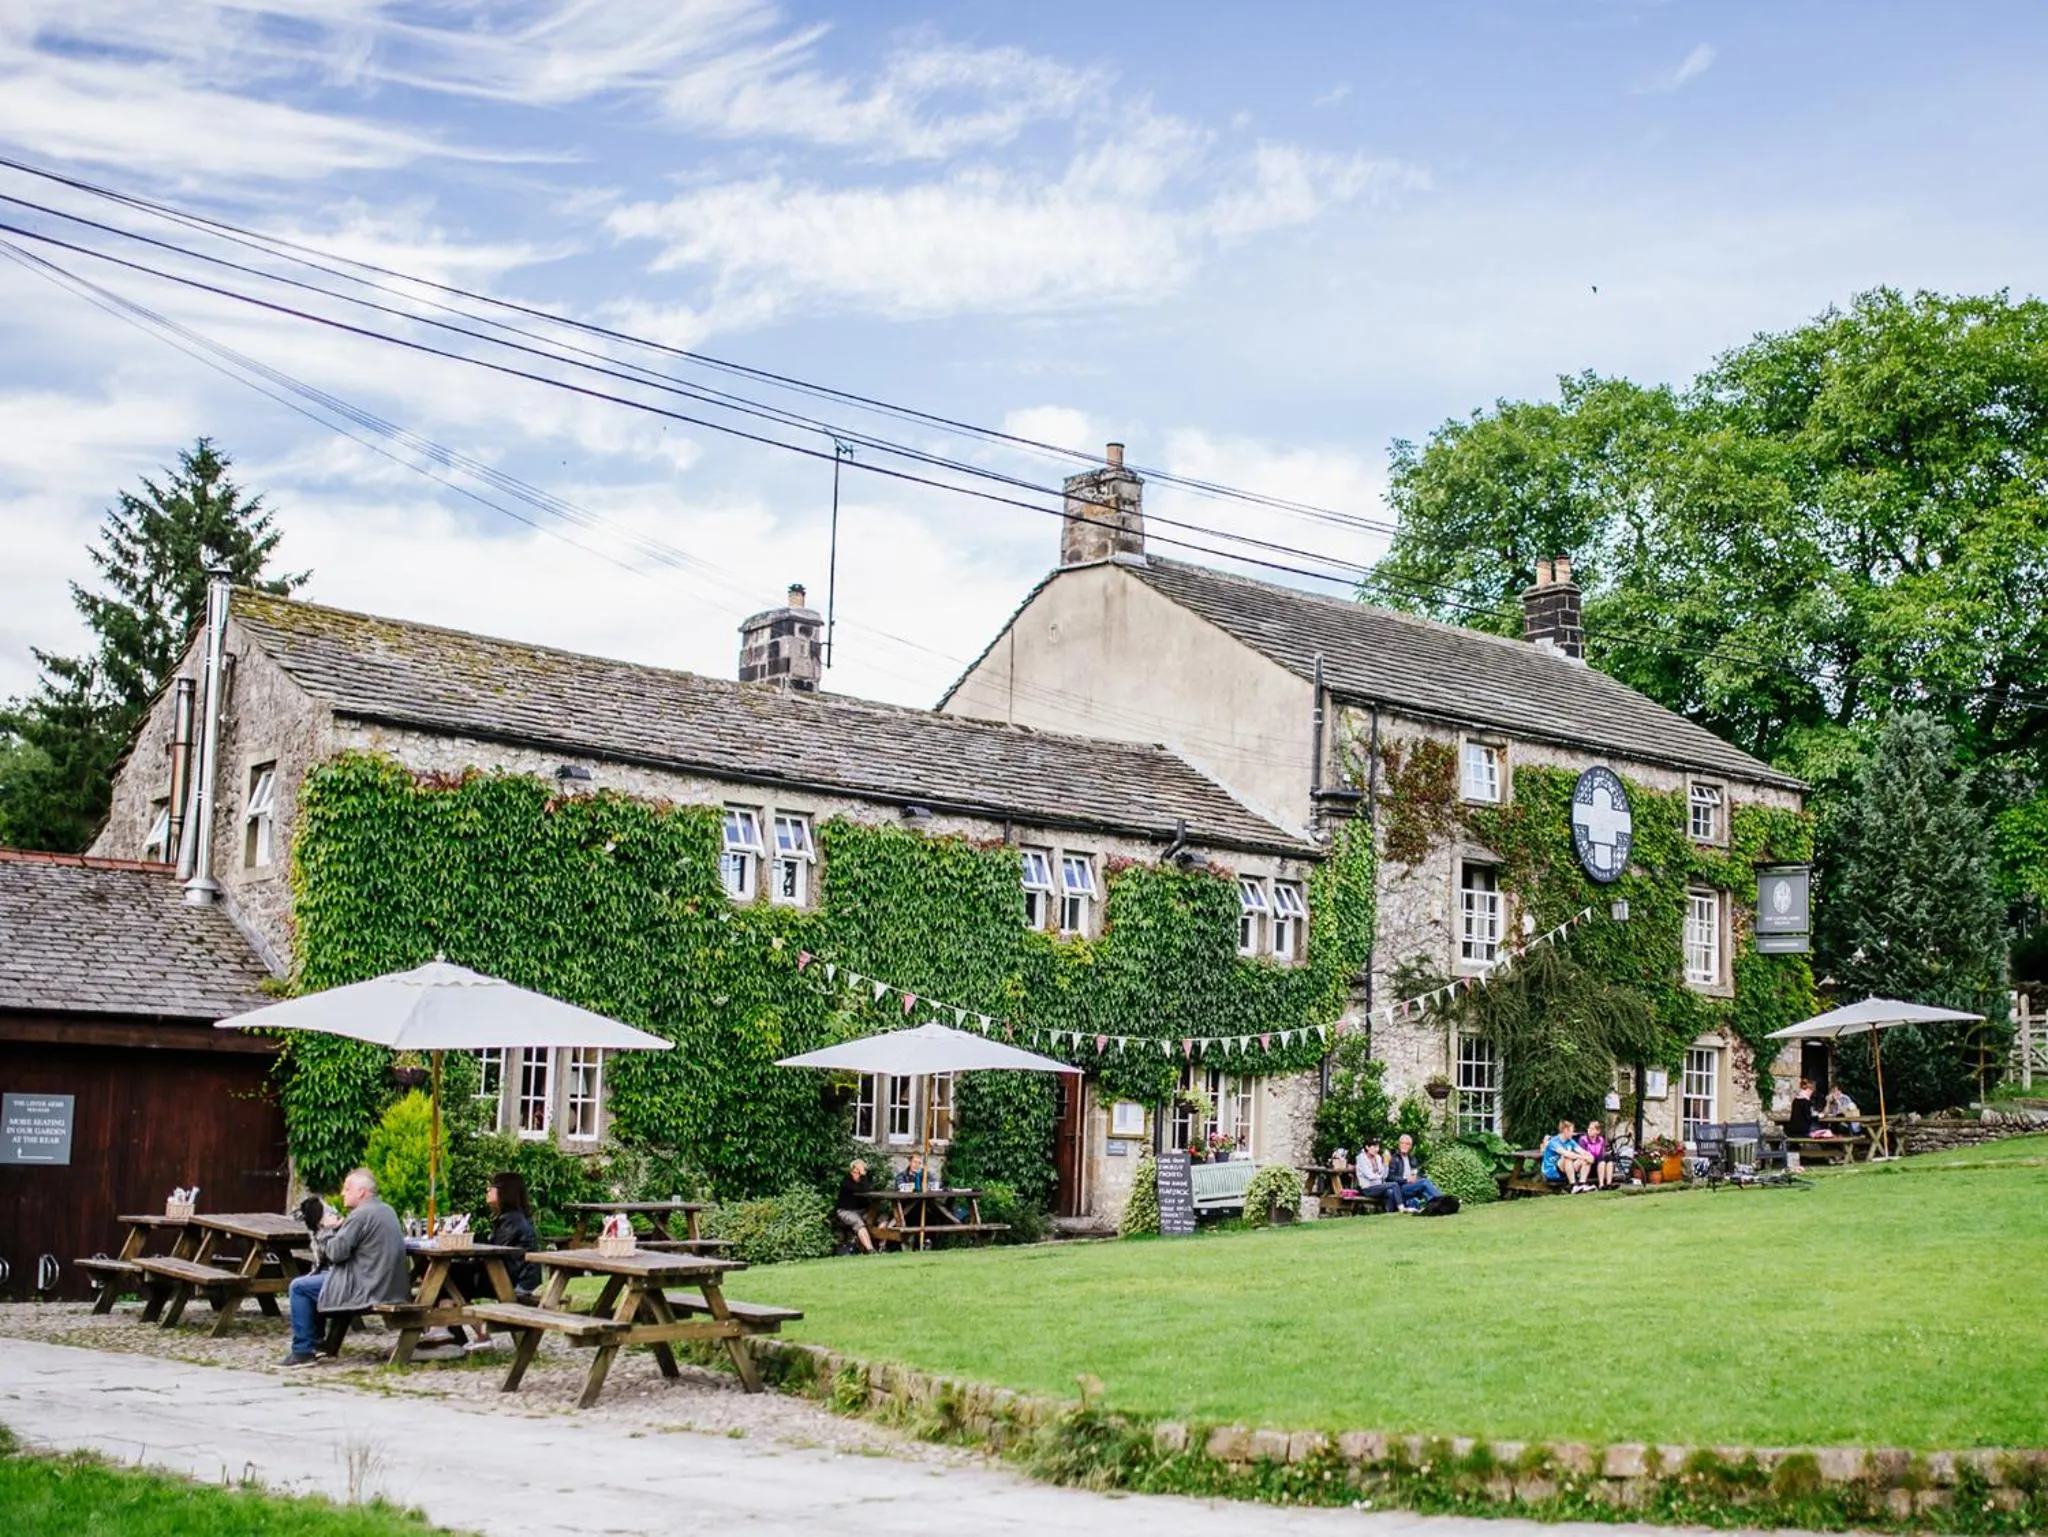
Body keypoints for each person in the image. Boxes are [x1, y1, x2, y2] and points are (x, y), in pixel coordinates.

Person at [285, 1167, 409, 1367]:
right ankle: (321, 1347)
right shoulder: (386, 1210)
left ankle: (302, 1351)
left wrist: (325, 1229)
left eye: (347, 1188)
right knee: (318, 1281)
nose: (342, 1193)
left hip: (367, 1288)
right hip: (388, 1286)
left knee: (299, 1287)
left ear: (361, 1192)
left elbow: (335, 1253)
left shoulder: (360, 1216)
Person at [1385, 1134, 1441, 1212]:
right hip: (1400, 1187)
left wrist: (1417, 1178)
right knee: (1424, 1182)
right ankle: (1443, 1201)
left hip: (1412, 1186)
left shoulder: (1412, 1159)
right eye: (1402, 1143)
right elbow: (1390, 1177)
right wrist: (1406, 1180)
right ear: (1399, 1145)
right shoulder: (1394, 1159)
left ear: (1410, 1146)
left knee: (1425, 1187)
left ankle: (1436, 1207)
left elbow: (1417, 1173)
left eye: (1407, 1144)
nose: (1404, 1145)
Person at [834, 1158, 875, 1254]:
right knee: (858, 1222)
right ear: (852, 1171)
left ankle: (882, 1247)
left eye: (860, 1172)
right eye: (856, 1171)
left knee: (882, 1218)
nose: (857, 1174)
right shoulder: (846, 1182)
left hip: (863, 1210)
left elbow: (868, 1188)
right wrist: (863, 1177)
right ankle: (870, 1250)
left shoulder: (865, 1180)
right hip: (846, 1211)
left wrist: (863, 1177)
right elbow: (862, 1190)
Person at [1541, 1120, 1592, 1192]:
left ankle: (1582, 1184)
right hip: (1552, 1172)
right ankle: (1573, 1186)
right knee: (1567, 1157)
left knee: (1586, 1160)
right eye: (1571, 1131)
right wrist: (1583, 1157)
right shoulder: (1554, 1141)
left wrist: (1589, 1156)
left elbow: (1582, 1151)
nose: (1573, 1133)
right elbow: (1566, 1154)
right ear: (1565, 1130)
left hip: (1565, 1169)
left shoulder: (1570, 1141)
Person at [1353, 1140, 1398, 1210]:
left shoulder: (1378, 1157)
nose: (1377, 1149)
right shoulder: (1361, 1159)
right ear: (1367, 1147)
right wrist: (1379, 1177)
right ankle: (1401, 1207)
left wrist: (1386, 1164)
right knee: (1394, 1184)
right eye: (1374, 1147)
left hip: (1378, 1187)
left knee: (1390, 1192)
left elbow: (1384, 1176)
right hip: (1367, 1189)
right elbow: (1370, 1176)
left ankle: (1389, 1213)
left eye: (1378, 1147)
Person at [1580, 1120, 1616, 1189]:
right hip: (1589, 1166)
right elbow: (1583, 1154)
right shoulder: (1583, 1139)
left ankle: (1609, 1184)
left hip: (1600, 1165)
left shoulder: (1601, 1139)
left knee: (1608, 1157)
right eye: (1589, 1128)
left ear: (1598, 1131)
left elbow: (1602, 1152)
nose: (1589, 1130)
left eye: (1592, 1129)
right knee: (1601, 1159)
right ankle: (1601, 1185)